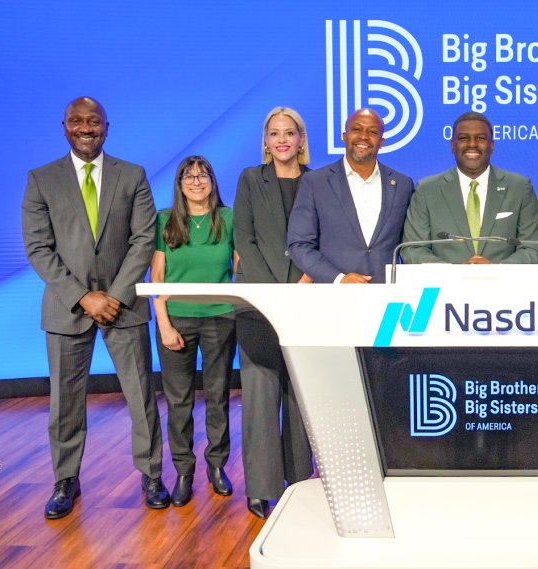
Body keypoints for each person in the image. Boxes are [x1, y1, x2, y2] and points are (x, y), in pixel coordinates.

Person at [22, 96, 168, 518]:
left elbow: (144, 239)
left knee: (141, 396)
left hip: (124, 306)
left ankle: (152, 475)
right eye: (77, 121)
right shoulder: (41, 179)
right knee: (64, 402)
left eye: (94, 122)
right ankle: (65, 480)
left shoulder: (133, 175)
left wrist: (116, 296)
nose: (86, 128)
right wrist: (84, 297)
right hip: (68, 308)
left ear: (107, 127)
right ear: (64, 126)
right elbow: (38, 247)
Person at [233, 107, 316, 519]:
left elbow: (326, 238)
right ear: (265, 141)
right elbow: (243, 240)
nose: (282, 140)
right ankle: (260, 490)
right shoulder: (250, 179)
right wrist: (273, 293)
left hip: (307, 303)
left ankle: (300, 482)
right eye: (274, 133)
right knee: (262, 400)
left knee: (301, 399)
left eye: (290, 132)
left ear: (301, 139)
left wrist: (305, 279)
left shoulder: (320, 181)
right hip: (258, 310)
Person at [151, 156, 238, 507]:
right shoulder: (165, 220)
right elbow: (156, 278)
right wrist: (164, 324)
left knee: (218, 396)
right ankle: (184, 472)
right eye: (188, 176)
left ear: (213, 181)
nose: (196, 181)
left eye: (203, 175)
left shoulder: (229, 219)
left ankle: (217, 467)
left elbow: (240, 270)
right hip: (177, 321)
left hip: (221, 317)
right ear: (179, 184)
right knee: (179, 401)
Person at [287, 108, 414, 283]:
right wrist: (338, 278)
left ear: (382, 141)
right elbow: (299, 245)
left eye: (372, 132)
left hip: (387, 299)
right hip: (333, 298)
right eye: (356, 129)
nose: (363, 136)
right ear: (345, 136)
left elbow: (410, 246)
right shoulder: (316, 182)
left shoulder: (402, 184)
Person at [401, 112, 538, 264]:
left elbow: (533, 247)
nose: (472, 144)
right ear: (452, 145)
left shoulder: (520, 188)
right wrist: (455, 273)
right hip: (445, 286)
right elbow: (413, 249)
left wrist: (497, 270)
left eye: (480, 138)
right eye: (463, 138)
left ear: (492, 146)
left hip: (505, 286)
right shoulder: (427, 190)